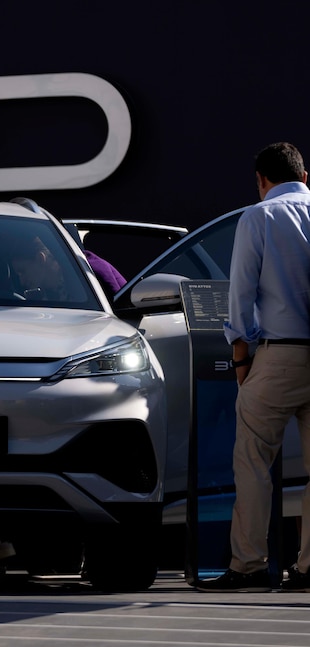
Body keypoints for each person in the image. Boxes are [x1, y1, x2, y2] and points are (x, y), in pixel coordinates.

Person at [196, 142, 310, 593]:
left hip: (278, 356)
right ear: (304, 176)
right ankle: (308, 568)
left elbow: (240, 294)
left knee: (253, 461)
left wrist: (241, 359)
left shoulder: (259, 216)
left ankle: (248, 565)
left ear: (262, 180)